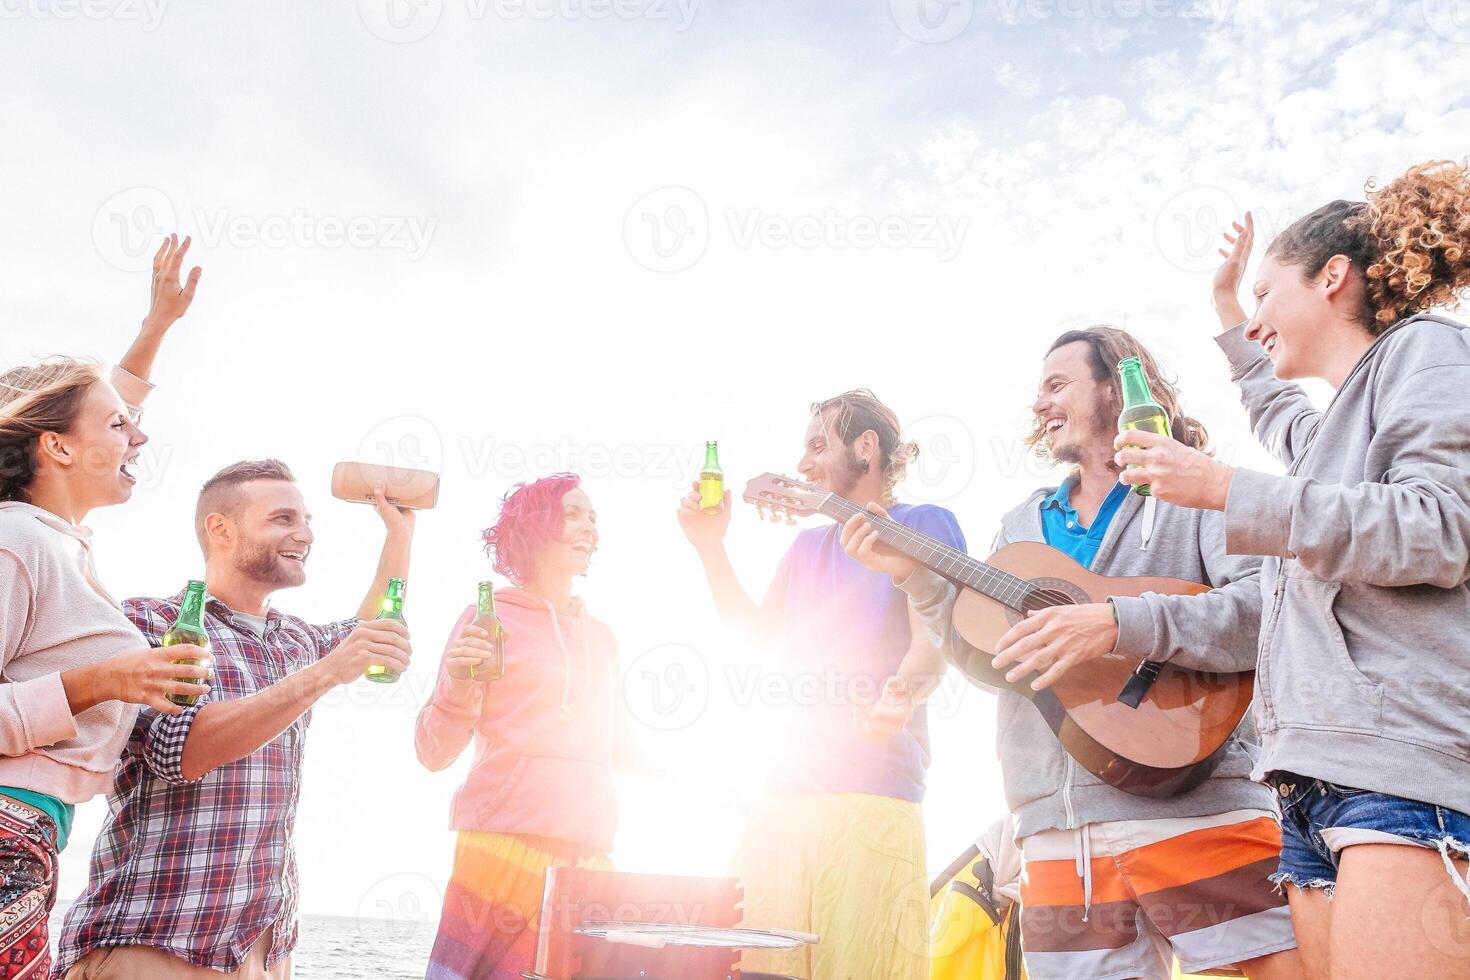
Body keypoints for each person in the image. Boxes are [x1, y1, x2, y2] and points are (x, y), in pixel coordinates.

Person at [842, 332, 1302, 980]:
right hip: (1056, 832)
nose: (1039, 403)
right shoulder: (1019, 526)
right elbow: (988, 663)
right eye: (1038, 390)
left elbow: (1271, 610)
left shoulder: (1196, 490)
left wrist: (1120, 624)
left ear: (1115, 387)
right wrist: (915, 579)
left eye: (1057, 384)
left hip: (1203, 804)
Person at [1116, 159, 1470, 979]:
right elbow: (1274, 409)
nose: (1262, 319)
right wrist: (1229, 306)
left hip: (1402, 773)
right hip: (1310, 786)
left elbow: (1442, 526)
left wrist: (1222, 488)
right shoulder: (1326, 435)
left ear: (1333, 278)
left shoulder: (1428, 352)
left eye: (1272, 294)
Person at [55, 458, 416, 979]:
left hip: (264, 952)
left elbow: (371, 625)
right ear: (220, 529)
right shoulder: (147, 623)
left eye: (307, 520)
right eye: (283, 519)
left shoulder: (295, 641)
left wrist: (399, 535)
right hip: (156, 943)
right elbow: (181, 750)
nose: (305, 534)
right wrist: (327, 674)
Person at [678, 390, 965, 980]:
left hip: (873, 793)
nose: (803, 464)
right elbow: (759, 635)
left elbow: (934, 637)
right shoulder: (806, 546)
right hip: (781, 794)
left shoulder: (922, 524)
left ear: (867, 447)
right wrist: (710, 547)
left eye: (817, 444)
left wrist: (900, 698)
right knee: (758, 967)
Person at [0, 235, 211, 980]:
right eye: (120, 425)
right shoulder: (15, 542)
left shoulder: (50, 540)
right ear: (55, 449)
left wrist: (155, 330)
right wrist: (109, 681)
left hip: (30, 838)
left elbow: (92, 412)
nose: (140, 433)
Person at [418, 474, 620, 980]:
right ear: (534, 528)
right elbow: (433, 751)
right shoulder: (487, 619)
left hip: (588, 850)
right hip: (501, 845)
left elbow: (621, 744)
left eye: (593, 518)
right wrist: (460, 685)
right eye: (573, 514)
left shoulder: (603, 638)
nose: (589, 528)